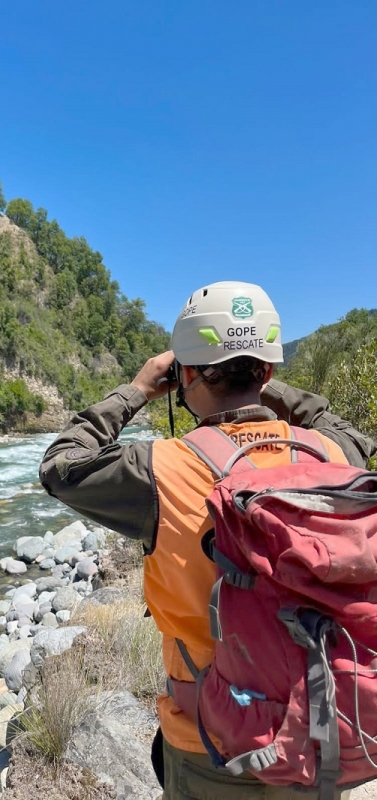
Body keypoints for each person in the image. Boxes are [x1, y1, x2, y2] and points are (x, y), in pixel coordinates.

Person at [39, 281, 377, 800]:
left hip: (208, 738)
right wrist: (269, 385)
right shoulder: (332, 453)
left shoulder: (159, 468)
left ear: (185, 374)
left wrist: (136, 390)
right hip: (318, 725)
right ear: (266, 371)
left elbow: (61, 465)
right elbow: (348, 431)